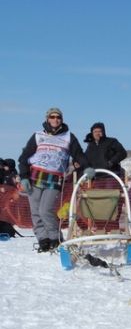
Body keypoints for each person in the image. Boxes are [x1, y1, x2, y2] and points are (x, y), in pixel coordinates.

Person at [18, 107, 92, 252]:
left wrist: (87, 167)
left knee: (45, 210)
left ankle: (55, 238)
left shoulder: (68, 137)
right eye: (52, 117)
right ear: (47, 119)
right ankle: (43, 239)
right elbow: (24, 157)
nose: (55, 119)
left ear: (61, 120)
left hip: (54, 178)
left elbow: (79, 154)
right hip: (34, 176)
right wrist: (24, 177)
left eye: (58, 117)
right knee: (35, 211)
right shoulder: (38, 135)